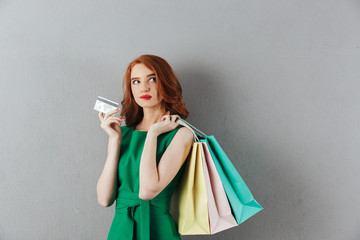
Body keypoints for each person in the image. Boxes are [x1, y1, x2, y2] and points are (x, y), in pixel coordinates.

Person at [96, 54, 194, 240]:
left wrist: (153, 134)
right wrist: (115, 140)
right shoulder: (123, 134)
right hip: (120, 230)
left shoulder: (182, 134)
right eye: (136, 81)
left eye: (152, 79)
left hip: (158, 230)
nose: (144, 88)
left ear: (165, 82)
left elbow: (147, 191)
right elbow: (104, 199)